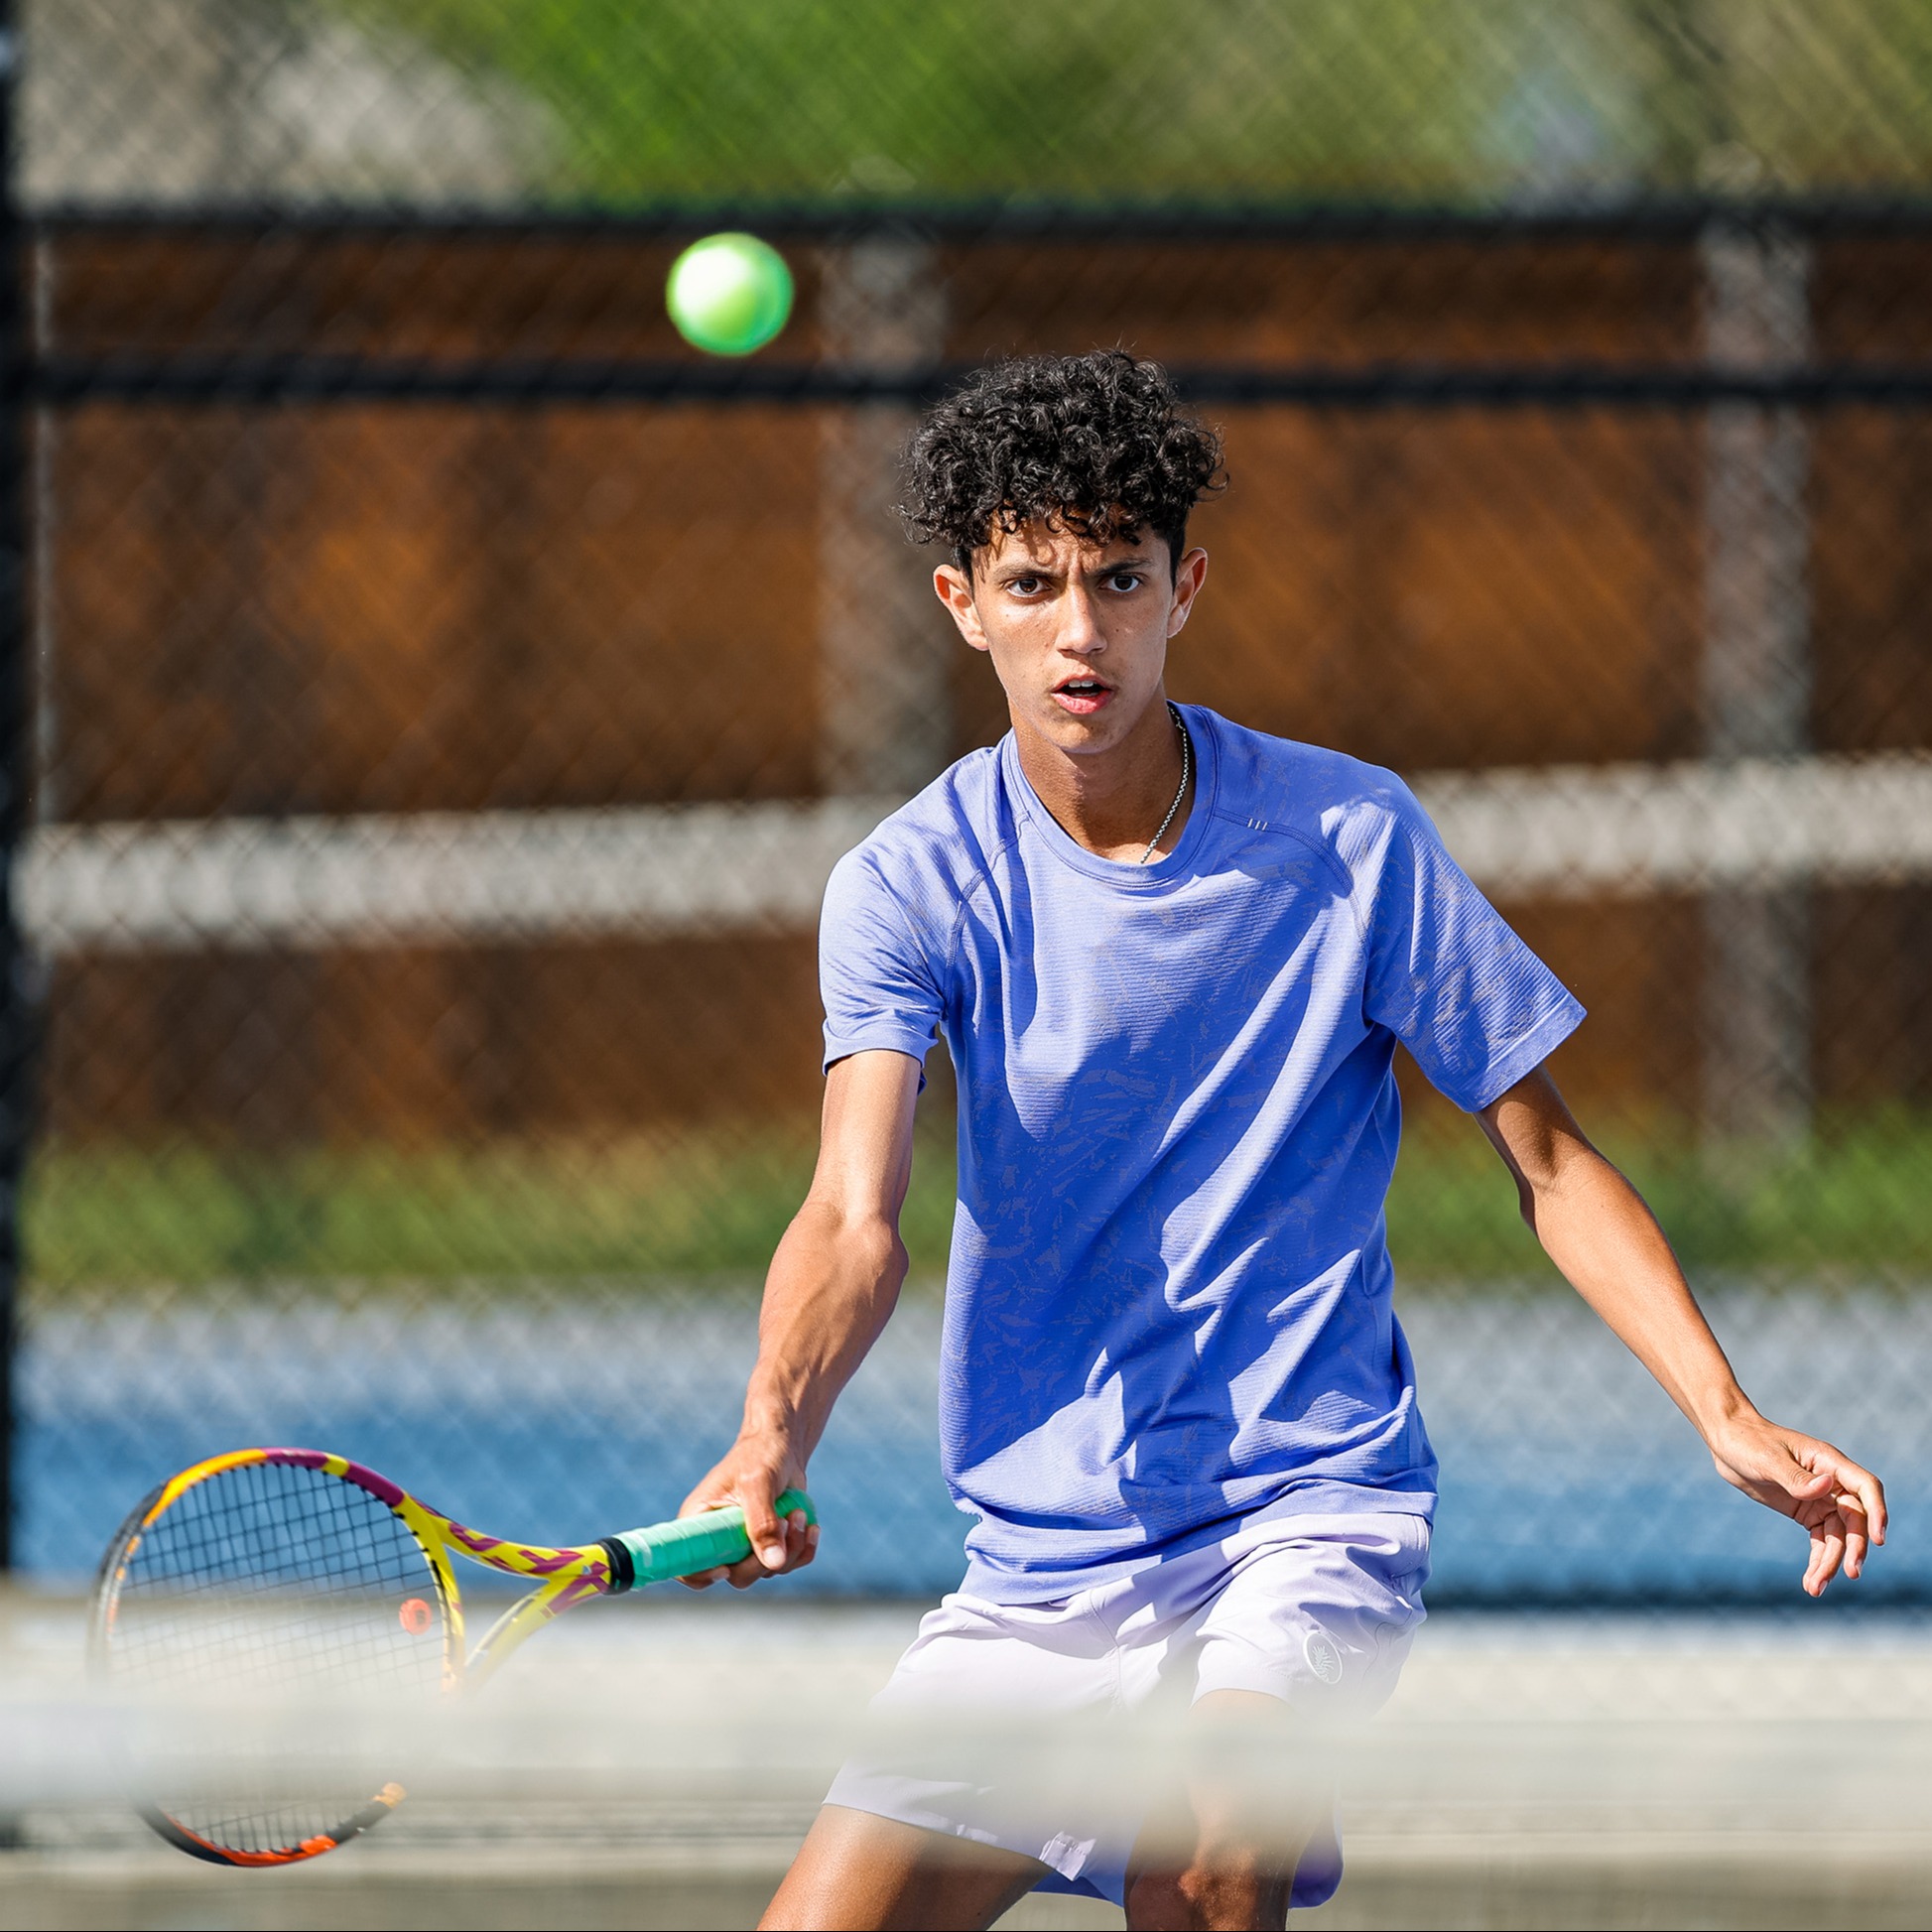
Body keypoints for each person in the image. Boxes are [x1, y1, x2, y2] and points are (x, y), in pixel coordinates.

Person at [677, 350, 1886, 1932]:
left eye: (1120, 577)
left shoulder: (1354, 838)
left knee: (1212, 1848)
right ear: (961, 601)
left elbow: (1552, 1162)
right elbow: (853, 1217)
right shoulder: (907, 885)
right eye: (1032, 581)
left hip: (1309, 1508)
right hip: (1045, 1562)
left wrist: (1724, 1412)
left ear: (1189, 586)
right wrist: (771, 1436)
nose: (1081, 627)